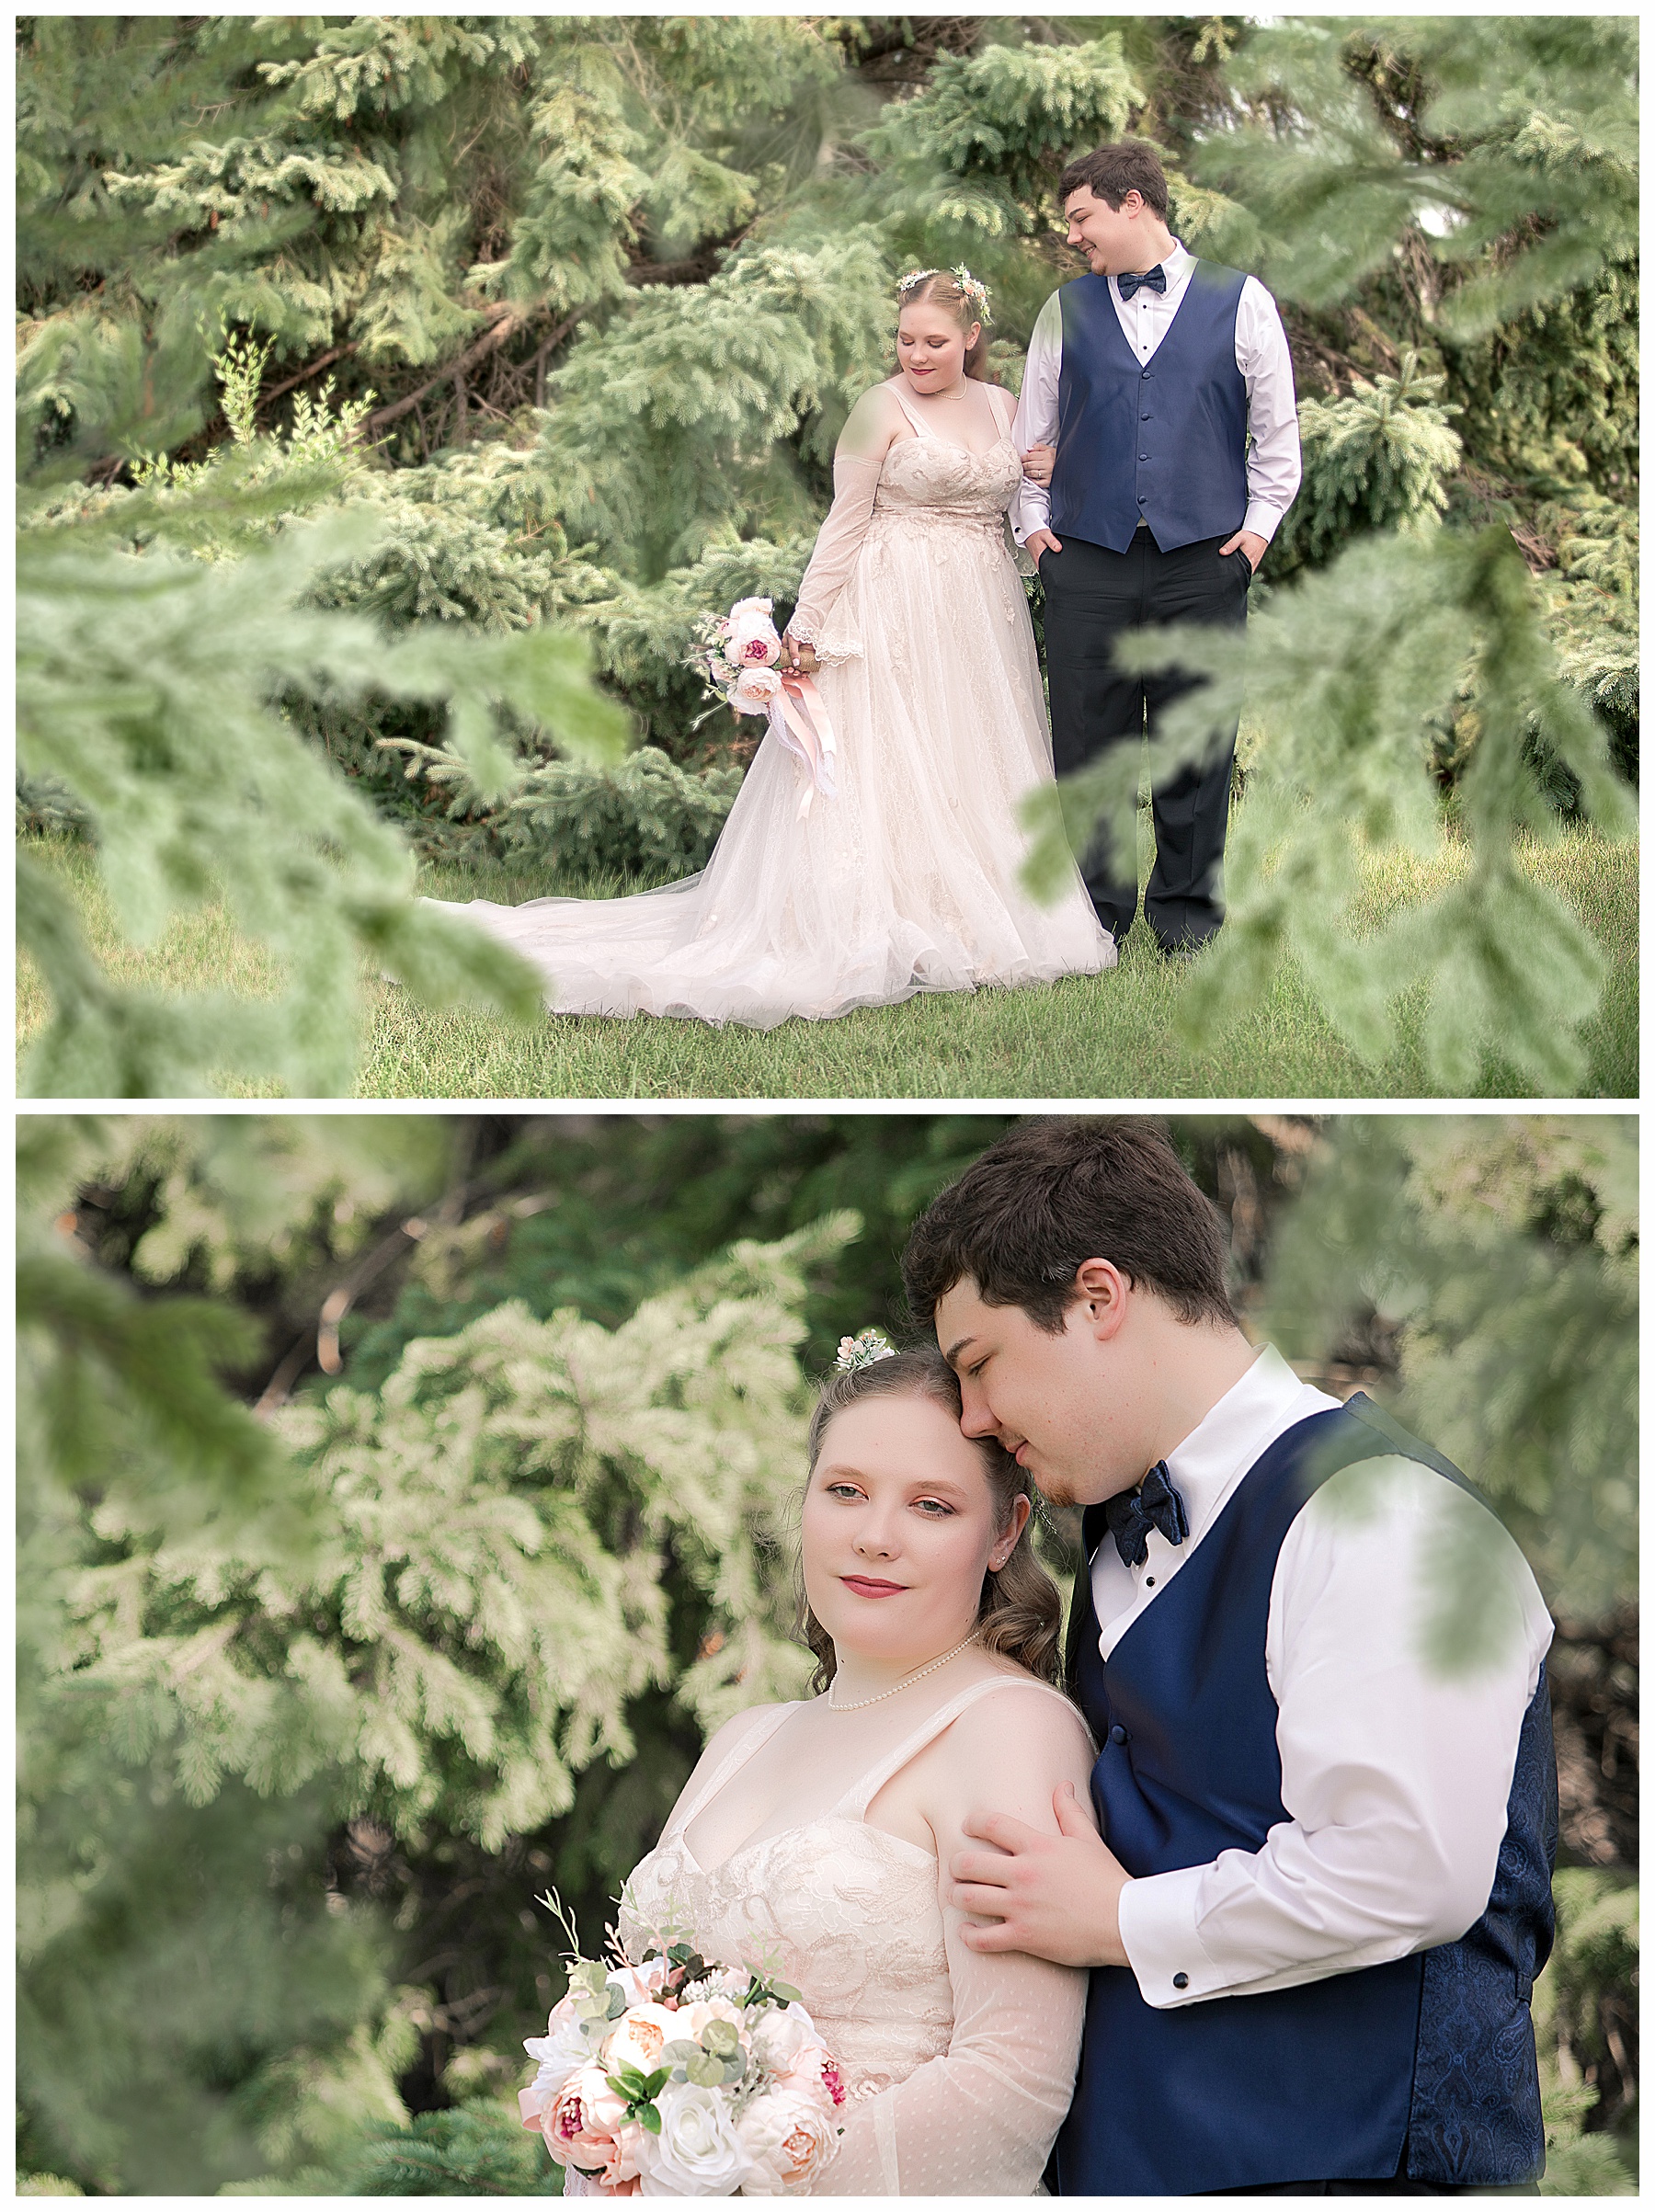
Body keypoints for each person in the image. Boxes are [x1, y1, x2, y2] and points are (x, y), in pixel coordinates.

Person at [901, 1118, 1558, 2196]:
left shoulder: (1382, 1513)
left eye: (981, 1366)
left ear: (1100, 1298)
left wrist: (1117, 1919)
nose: (973, 1416)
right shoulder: (1113, 1530)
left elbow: (1406, 1868)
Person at [432, 268, 1113, 1028]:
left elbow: (1019, 502)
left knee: (972, 755)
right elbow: (844, 524)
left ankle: (977, 915)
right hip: (890, 605)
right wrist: (808, 626)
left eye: (935, 342)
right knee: (891, 760)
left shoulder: (1003, 406)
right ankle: (874, 916)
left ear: (972, 338)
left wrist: (1042, 469)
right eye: (905, 339)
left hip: (981, 612)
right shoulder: (875, 411)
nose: (916, 355)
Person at [613, 1339, 1097, 2193]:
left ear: (1004, 1532)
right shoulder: (744, 1738)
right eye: (845, 1492)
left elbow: (1011, 2081)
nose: (875, 1538)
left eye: (932, 1507)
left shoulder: (1008, 1729)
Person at [1014, 142, 1303, 958]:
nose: (1073, 236)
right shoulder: (1062, 311)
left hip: (1202, 560)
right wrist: (1037, 536)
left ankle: (1185, 921)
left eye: (1082, 216)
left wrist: (1250, 542)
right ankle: (1095, 919)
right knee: (1088, 745)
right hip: (1087, 559)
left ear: (1133, 202)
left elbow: (1277, 441)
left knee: (1196, 746)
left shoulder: (1244, 303)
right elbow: (1028, 439)